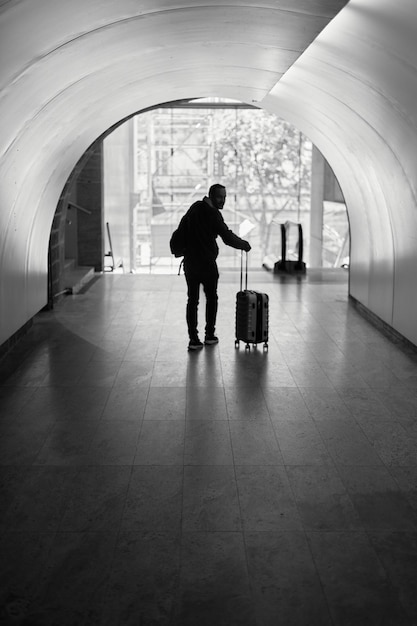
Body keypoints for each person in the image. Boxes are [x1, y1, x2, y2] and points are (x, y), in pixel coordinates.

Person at [180, 183, 251, 350]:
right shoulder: (213, 214)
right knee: (211, 298)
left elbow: (182, 229)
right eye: (220, 197)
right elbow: (227, 237)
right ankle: (209, 335)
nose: (223, 200)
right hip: (206, 264)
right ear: (211, 196)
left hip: (190, 262)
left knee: (193, 300)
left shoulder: (195, 207)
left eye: (225, 197)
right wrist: (244, 245)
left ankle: (193, 339)